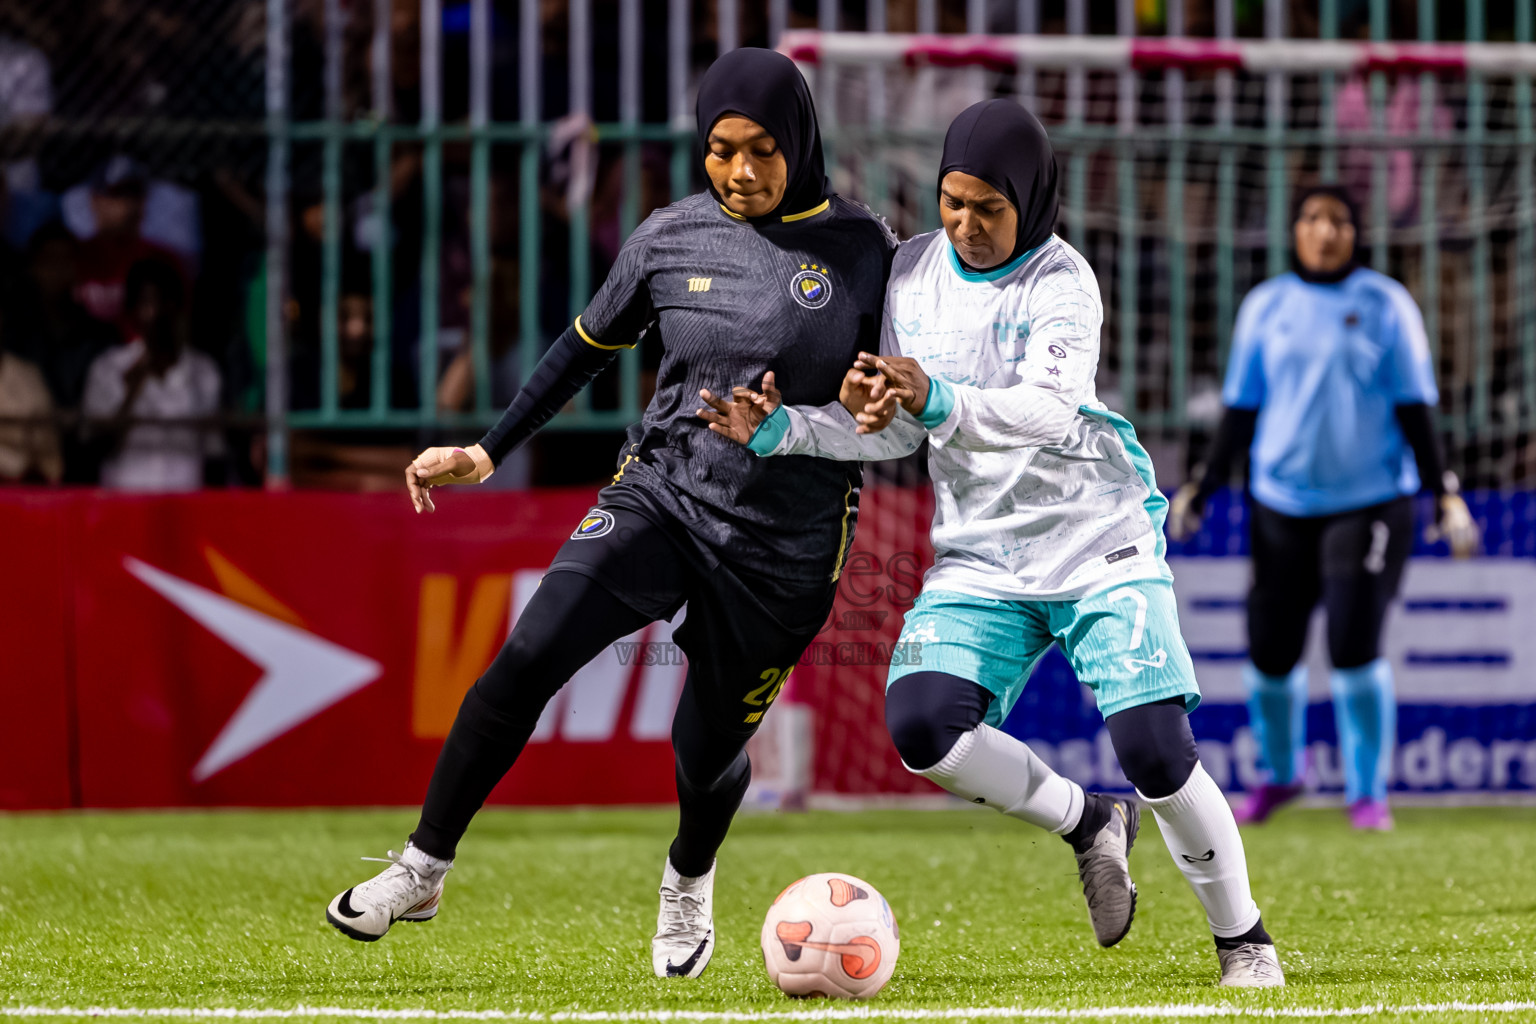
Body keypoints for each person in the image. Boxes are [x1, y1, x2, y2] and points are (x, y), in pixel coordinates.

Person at [324, 48, 896, 980]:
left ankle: (689, 877)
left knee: (705, 752)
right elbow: (582, 347)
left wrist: (885, 402)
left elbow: (898, 394)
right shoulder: (668, 238)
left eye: (762, 151)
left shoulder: (869, 251)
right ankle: (423, 866)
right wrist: (487, 448)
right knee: (526, 654)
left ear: (800, 142)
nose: (740, 172)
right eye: (720, 150)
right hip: (662, 496)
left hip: (784, 553)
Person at [701, 100, 1284, 988]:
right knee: (923, 729)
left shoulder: (1063, 281)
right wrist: (786, 430)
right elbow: (896, 434)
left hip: (1098, 542)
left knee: (1159, 752)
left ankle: (1244, 941)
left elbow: (1048, 414)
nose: (966, 225)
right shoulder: (909, 276)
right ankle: (1089, 823)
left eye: (988, 208)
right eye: (952, 202)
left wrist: (933, 395)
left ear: (1033, 201)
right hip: (985, 554)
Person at [1167, 184, 1478, 831]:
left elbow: (1417, 409)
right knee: (1270, 653)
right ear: (1295, 230)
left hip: (1370, 504)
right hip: (1279, 503)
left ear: (1356, 231)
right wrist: (1203, 484)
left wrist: (1445, 494)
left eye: (1338, 220)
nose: (1325, 231)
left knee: (1353, 645)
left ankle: (1367, 793)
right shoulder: (1267, 305)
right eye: (1311, 218)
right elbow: (1240, 409)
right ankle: (1282, 778)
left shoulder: (1386, 304)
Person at [81, 258, 221, 491]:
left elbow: (215, 456)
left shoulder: (204, 372)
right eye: (146, 302)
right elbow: (93, 450)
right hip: (124, 506)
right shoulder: (108, 369)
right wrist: (130, 395)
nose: (157, 313)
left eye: (165, 301)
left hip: (188, 508)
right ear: (132, 311)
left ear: (179, 306)